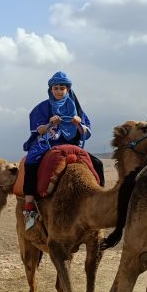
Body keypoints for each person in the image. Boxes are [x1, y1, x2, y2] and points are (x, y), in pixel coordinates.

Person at [21, 71, 105, 230]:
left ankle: (99, 200)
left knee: (98, 163)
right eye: (56, 88)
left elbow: (86, 133)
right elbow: (38, 130)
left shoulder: (77, 109)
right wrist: (49, 124)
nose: (59, 91)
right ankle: (29, 208)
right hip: (48, 144)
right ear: (50, 90)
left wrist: (79, 124)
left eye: (62, 88)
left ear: (68, 90)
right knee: (31, 163)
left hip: (72, 144)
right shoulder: (42, 108)